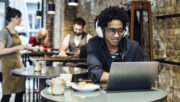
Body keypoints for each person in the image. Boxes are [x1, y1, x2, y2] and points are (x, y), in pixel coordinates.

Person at [87, 6, 144, 83]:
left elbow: (141, 74)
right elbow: (95, 73)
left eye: (120, 31)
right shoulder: (94, 43)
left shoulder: (134, 47)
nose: (116, 35)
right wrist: (127, 77)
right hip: (103, 92)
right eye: (112, 30)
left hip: (128, 91)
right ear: (102, 30)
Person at [0, 7, 25, 102]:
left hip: (18, 67)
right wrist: (17, 47)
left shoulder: (15, 31)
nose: (21, 19)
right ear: (12, 18)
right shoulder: (4, 32)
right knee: (7, 94)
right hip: (7, 69)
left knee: (20, 92)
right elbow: (1, 51)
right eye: (19, 17)